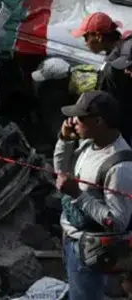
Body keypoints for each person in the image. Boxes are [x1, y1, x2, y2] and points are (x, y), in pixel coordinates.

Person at [54, 91, 132, 299]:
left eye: (80, 118)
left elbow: (118, 222)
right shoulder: (89, 144)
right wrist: (64, 141)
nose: (72, 121)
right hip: (73, 239)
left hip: (90, 251)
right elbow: (61, 175)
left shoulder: (120, 166)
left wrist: (77, 194)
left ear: (98, 121)